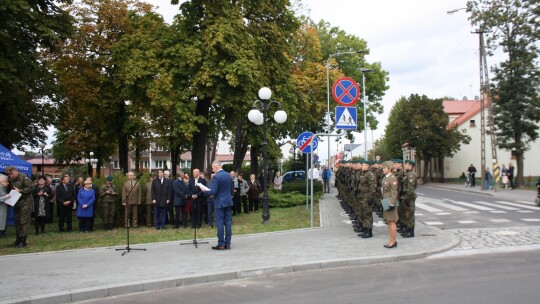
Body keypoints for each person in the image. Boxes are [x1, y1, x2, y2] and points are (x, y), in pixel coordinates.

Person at [203, 161, 233, 250]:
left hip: (219, 202)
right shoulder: (228, 175)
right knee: (228, 223)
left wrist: (203, 190)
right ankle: (228, 243)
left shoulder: (216, 177)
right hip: (228, 201)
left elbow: (213, 191)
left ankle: (221, 244)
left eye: (213, 168)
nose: (213, 170)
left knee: (219, 223)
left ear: (216, 167)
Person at [5, 166, 34, 248]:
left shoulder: (23, 177)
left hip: (26, 203)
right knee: (17, 221)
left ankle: (23, 241)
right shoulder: (10, 179)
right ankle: (18, 240)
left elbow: (31, 187)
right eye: (9, 174)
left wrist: (20, 191)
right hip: (16, 202)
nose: (10, 175)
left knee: (24, 221)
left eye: (11, 173)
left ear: (15, 170)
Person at [381, 161, 399, 249]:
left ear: (389, 168)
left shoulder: (392, 178)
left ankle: (393, 241)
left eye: (384, 168)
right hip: (385, 201)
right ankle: (390, 240)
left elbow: (394, 192)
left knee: (392, 221)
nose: (383, 169)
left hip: (390, 201)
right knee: (388, 221)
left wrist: (392, 203)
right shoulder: (385, 178)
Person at [400, 160, 417, 238]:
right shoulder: (407, 174)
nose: (405, 165)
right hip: (406, 197)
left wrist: (406, 198)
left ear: (410, 166)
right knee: (406, 214)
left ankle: (411, 232)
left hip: (409, 197)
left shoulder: (411, 175)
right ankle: (407, 229)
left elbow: (411, 188)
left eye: (406, 164)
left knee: (410, 215)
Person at [0, 174, 11, 238]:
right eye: (6, 181)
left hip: (3, 208)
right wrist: (5, 197)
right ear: (2, 181)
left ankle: (2, 233)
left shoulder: (3, 188)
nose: (8, 183)